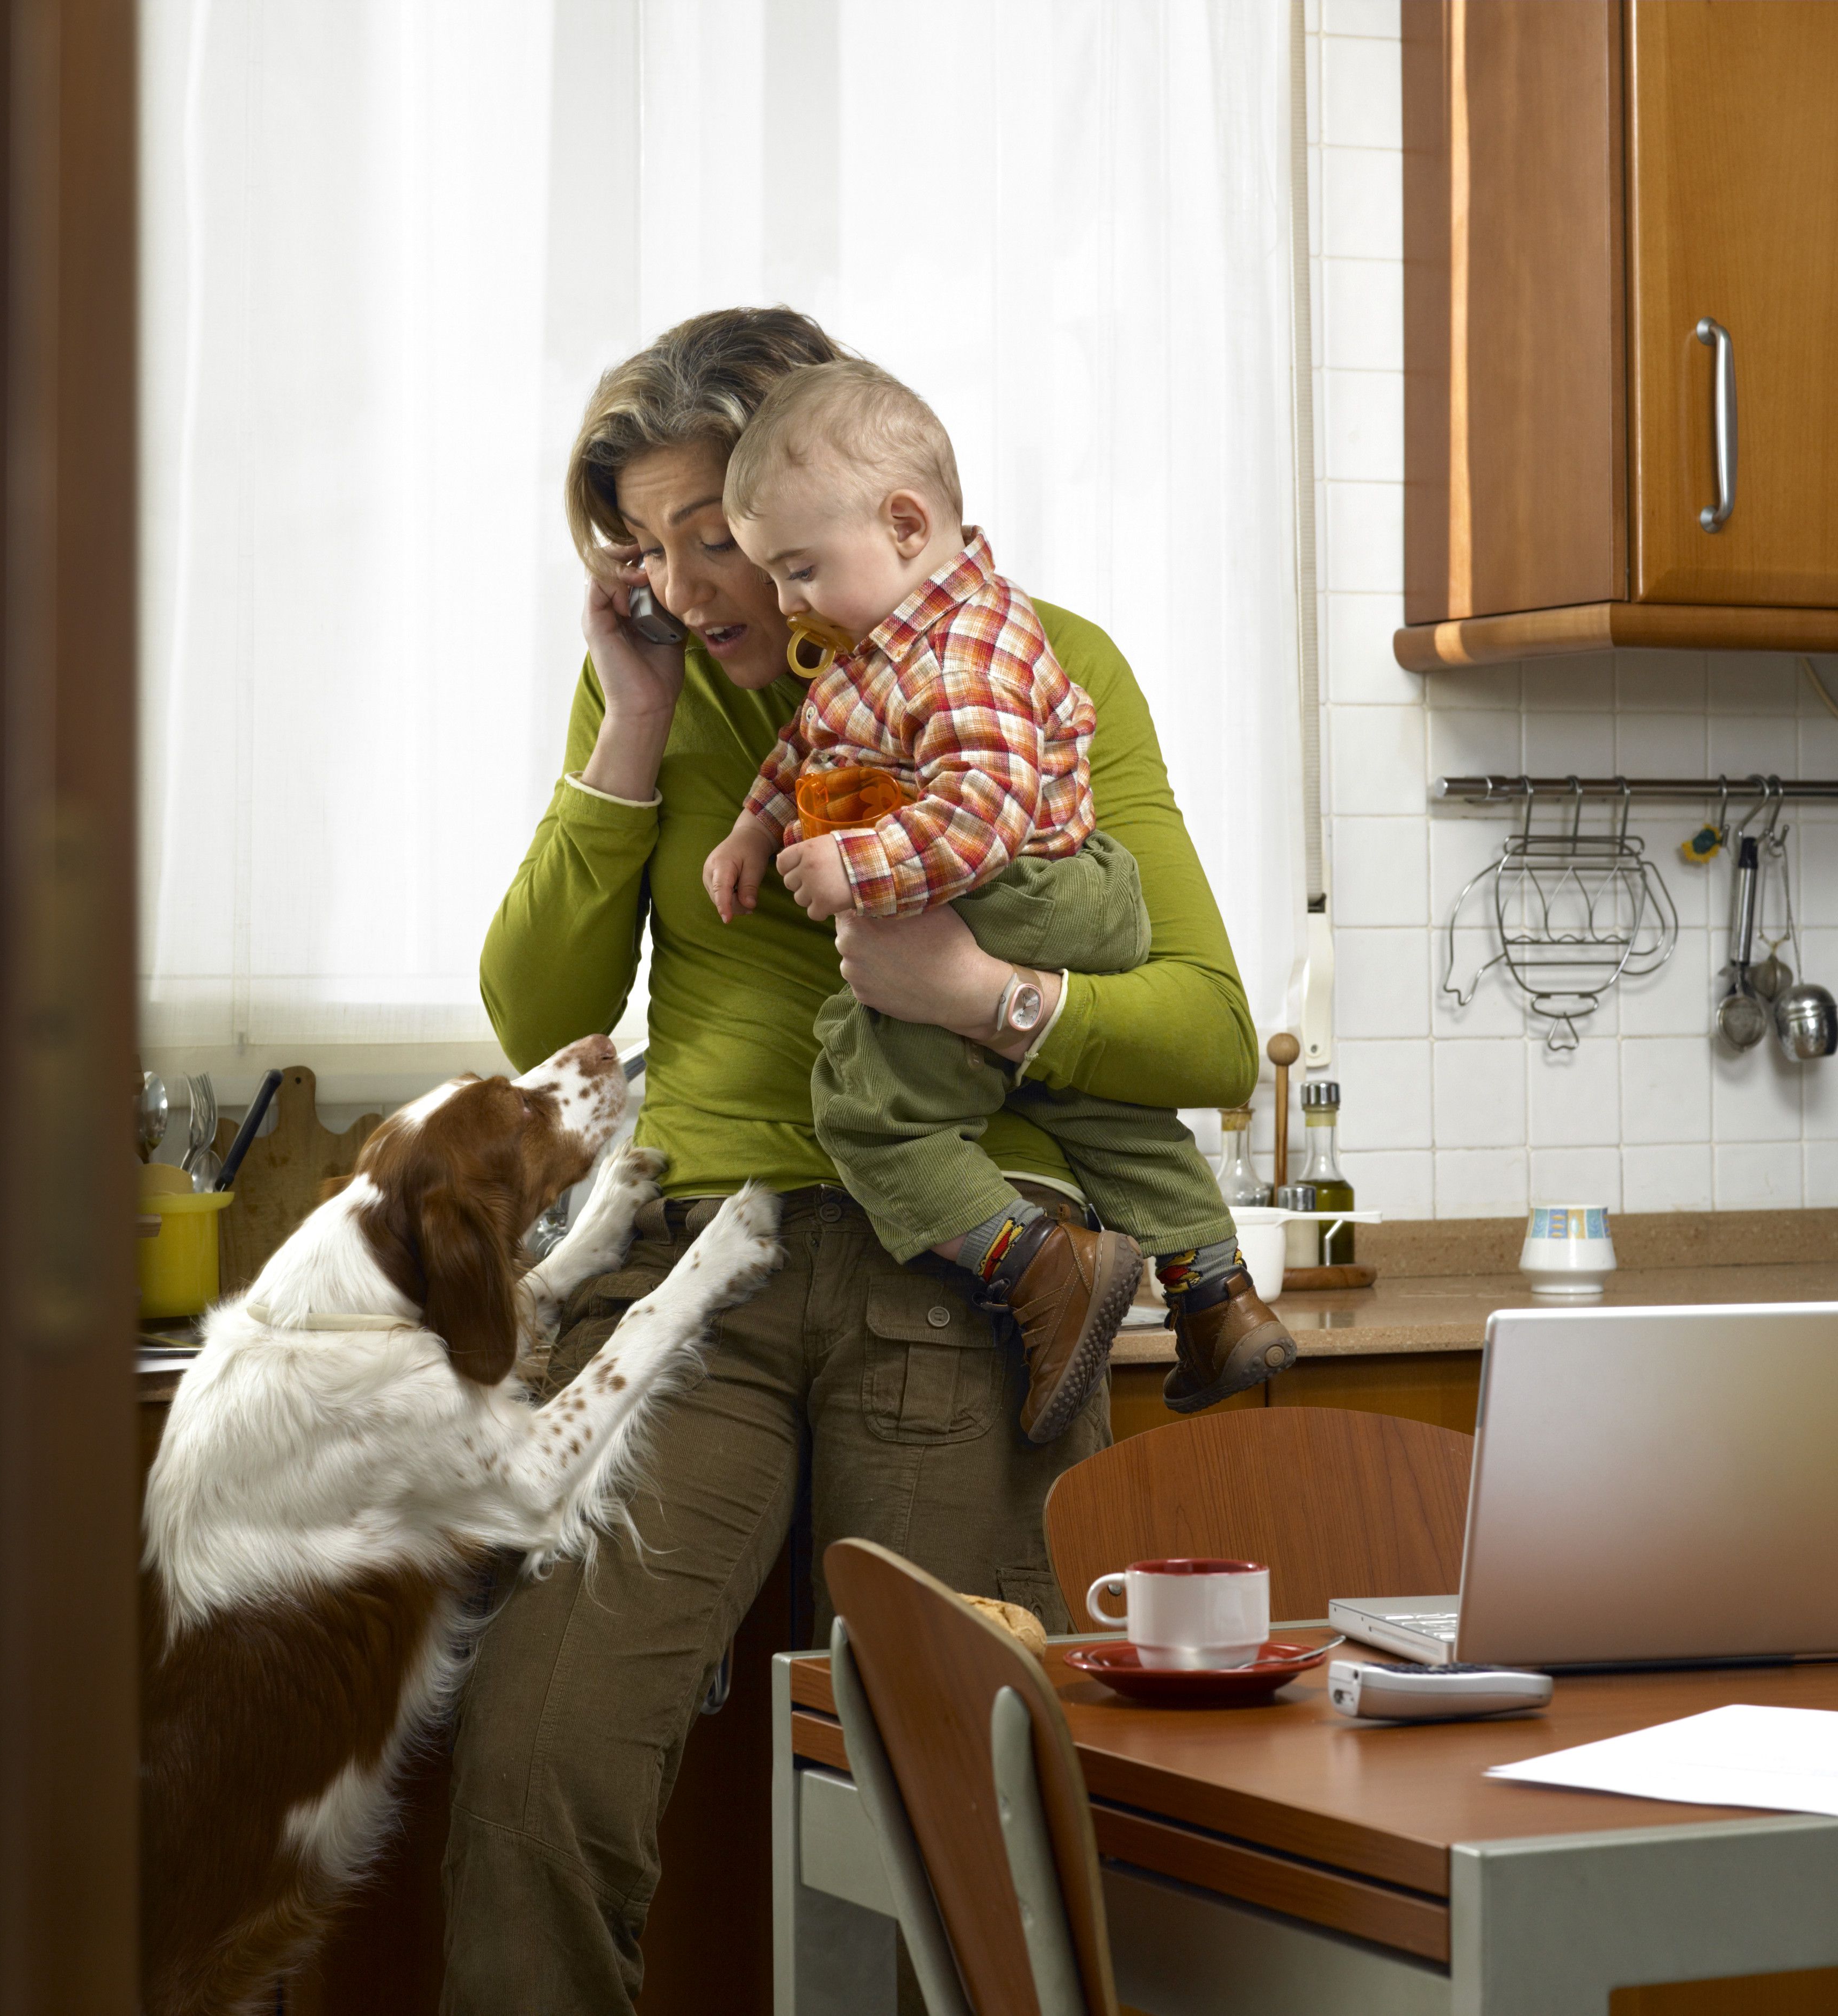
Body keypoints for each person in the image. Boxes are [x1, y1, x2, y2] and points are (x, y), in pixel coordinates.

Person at [444, 306, 1257, 2012]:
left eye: (713, 539)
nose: (680, 581)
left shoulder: (1044, 664)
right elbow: (539, 1002)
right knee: (535, 1763)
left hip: (970, 1276)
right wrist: (629, 723)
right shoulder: (658, 695)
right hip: (693, 1282)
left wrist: (986, 995)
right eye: (645, 546)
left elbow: (1202, 1030)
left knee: (966, 1829)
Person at [703, 358, 1296, 1441]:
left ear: (903, 519)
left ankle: (1037, 1266)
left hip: (1023, 891)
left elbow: (984, 807)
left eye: (797, 570)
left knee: (867, 1106)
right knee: (1109, 1113)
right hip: (1040, 898)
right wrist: (755, 826)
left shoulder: (966, 647)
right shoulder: (882, 641)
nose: (784, 601)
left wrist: (859, 870)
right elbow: (810, 740)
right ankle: (1216, 1295)